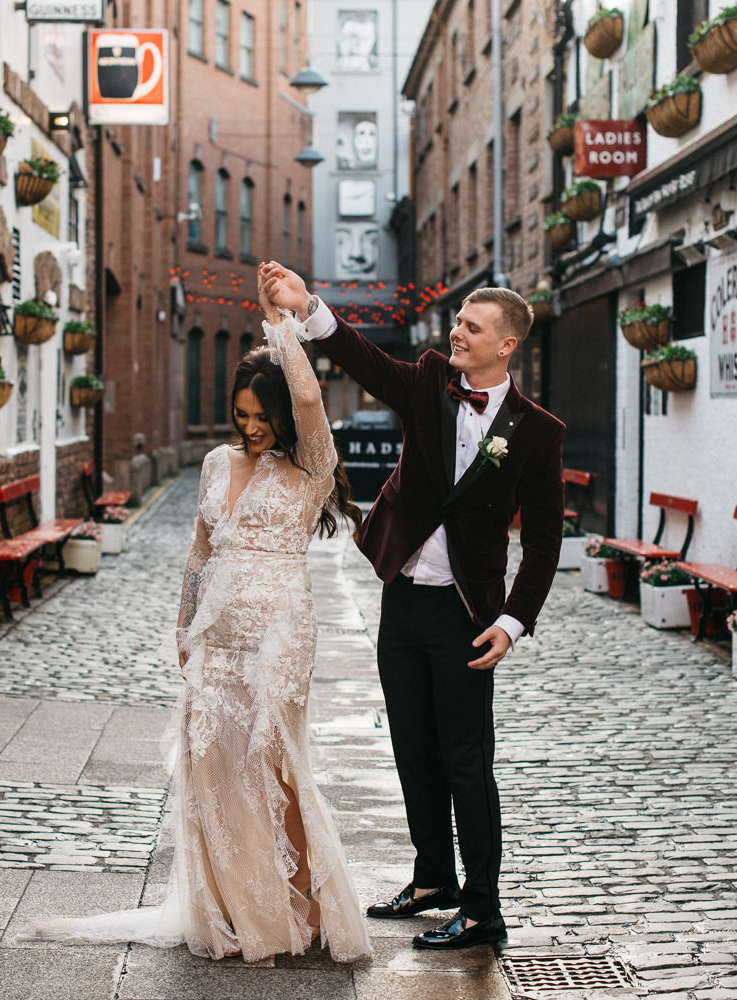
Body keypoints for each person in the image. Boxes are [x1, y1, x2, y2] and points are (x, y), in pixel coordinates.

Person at [22, 279, 373, 964]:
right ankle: (235, 908)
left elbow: (306, 397)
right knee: (211, 768)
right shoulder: (217, 461)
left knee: (275, 768)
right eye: (241, 414)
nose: (250, 426)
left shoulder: (312, 466)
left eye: (259, 414)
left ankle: (299, 909)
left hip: (280, 634)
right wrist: (183, 627)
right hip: (214, 636)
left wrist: (285, 326)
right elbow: (198, 551)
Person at [259, 261, 565, 951]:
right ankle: (433, 880)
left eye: (472, 326)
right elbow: (362, 358)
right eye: (458, 321)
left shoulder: (538, 431)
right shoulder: (428, 379)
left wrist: (512, 623)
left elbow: (546, 542)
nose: (456, 331)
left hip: (467, 614)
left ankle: (483, 910)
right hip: (403, 600)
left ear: (506, 344)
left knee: (466, 760)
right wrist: (306, 303)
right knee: (412, 749)